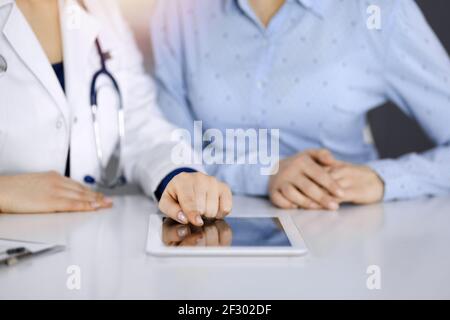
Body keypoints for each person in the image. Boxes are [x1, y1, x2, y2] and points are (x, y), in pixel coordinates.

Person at [150, 0, 450, 210]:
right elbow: (171, 150)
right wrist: (265, 174)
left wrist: (384, 179)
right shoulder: (179, 10)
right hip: (209, 228)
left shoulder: (379, 13)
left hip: (344, 226)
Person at [0, 0, 232, 226]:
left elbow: (139, 125)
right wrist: (5, 191)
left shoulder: (101, 10)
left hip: (83, 239)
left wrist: (177, 175)